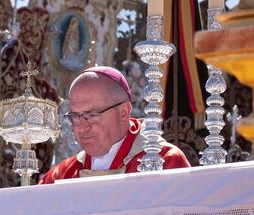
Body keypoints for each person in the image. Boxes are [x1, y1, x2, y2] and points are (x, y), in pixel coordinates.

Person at [39, 66, 191, 184]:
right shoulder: (62, 175)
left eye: (92, 115)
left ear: (124, 112)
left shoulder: (164, 161)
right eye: (75, 116)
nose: (82, 127)